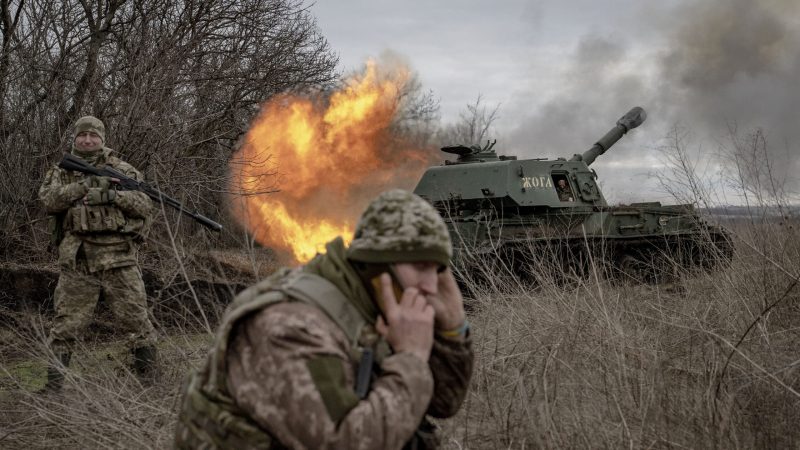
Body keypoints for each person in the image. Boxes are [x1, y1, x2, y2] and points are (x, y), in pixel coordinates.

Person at [175, 189, 474, 449]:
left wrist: (452, 328)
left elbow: (443, 402)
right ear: (376, 265)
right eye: (421, 267)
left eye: (437, 270)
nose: (431, 286)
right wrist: (410, 358)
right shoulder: (290, 326)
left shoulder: (378, 303)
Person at [39, 116, 157, 390]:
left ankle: (150, 383)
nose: (88, 140)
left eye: (94, 136)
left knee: (137, 319)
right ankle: (52, 389)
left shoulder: (121, 169)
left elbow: (145, 204)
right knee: (66, 325)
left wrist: (113, 196)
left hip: (120, 257)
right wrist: (83, 187)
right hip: (78, 259)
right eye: (83, 135)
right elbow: (48, 200)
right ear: (75, 139)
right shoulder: (60, 171)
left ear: (102, 139)